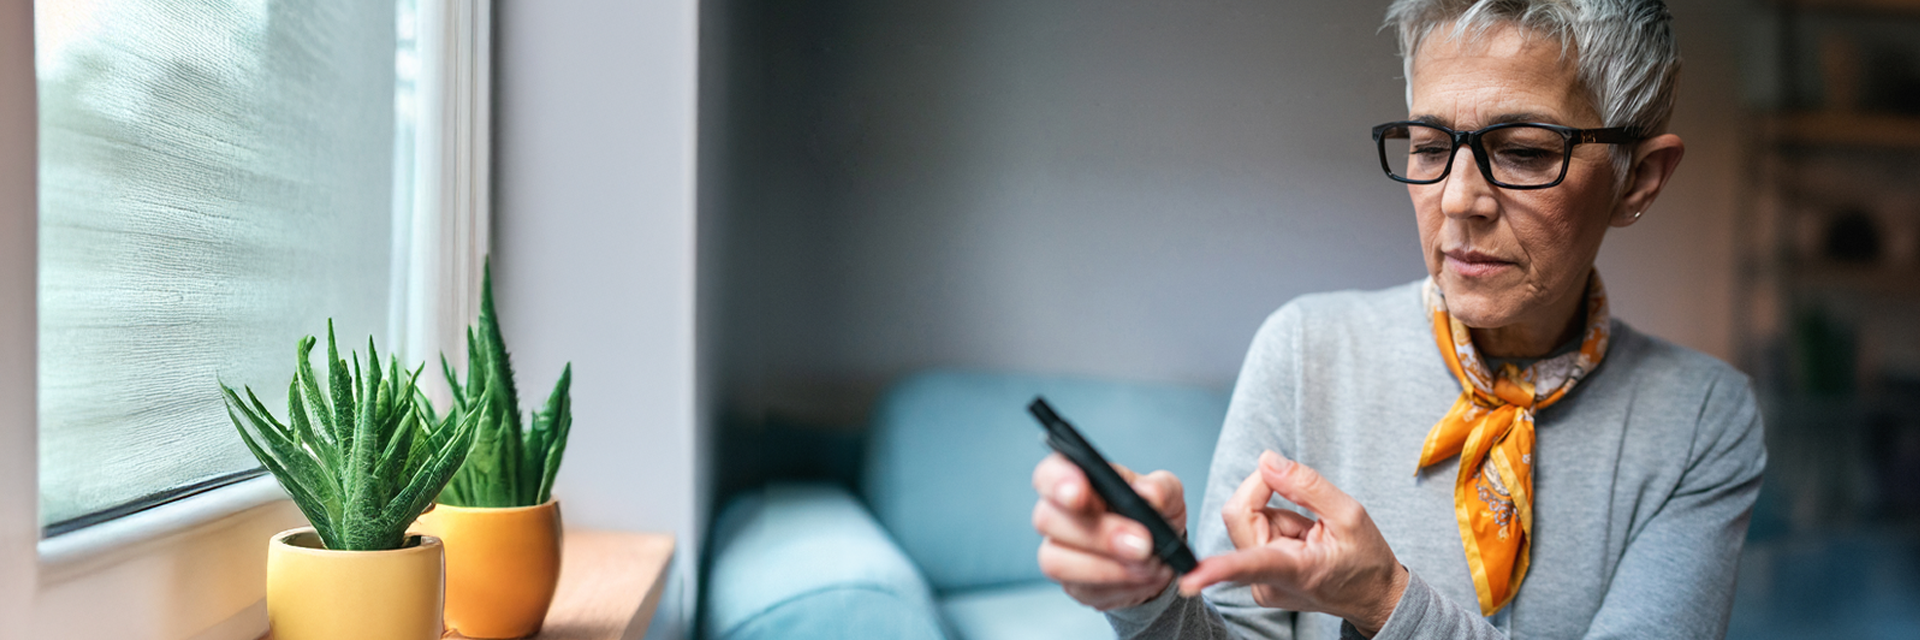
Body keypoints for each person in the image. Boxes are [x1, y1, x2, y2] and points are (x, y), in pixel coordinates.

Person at [1028, 1, 1766, 638]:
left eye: (1525, 151)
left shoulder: (1703, 419)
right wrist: (1150, 598)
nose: (1458, 200)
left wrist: (1383, 601)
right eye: (1431, 146)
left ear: (1638, 178)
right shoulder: (1304, 350)